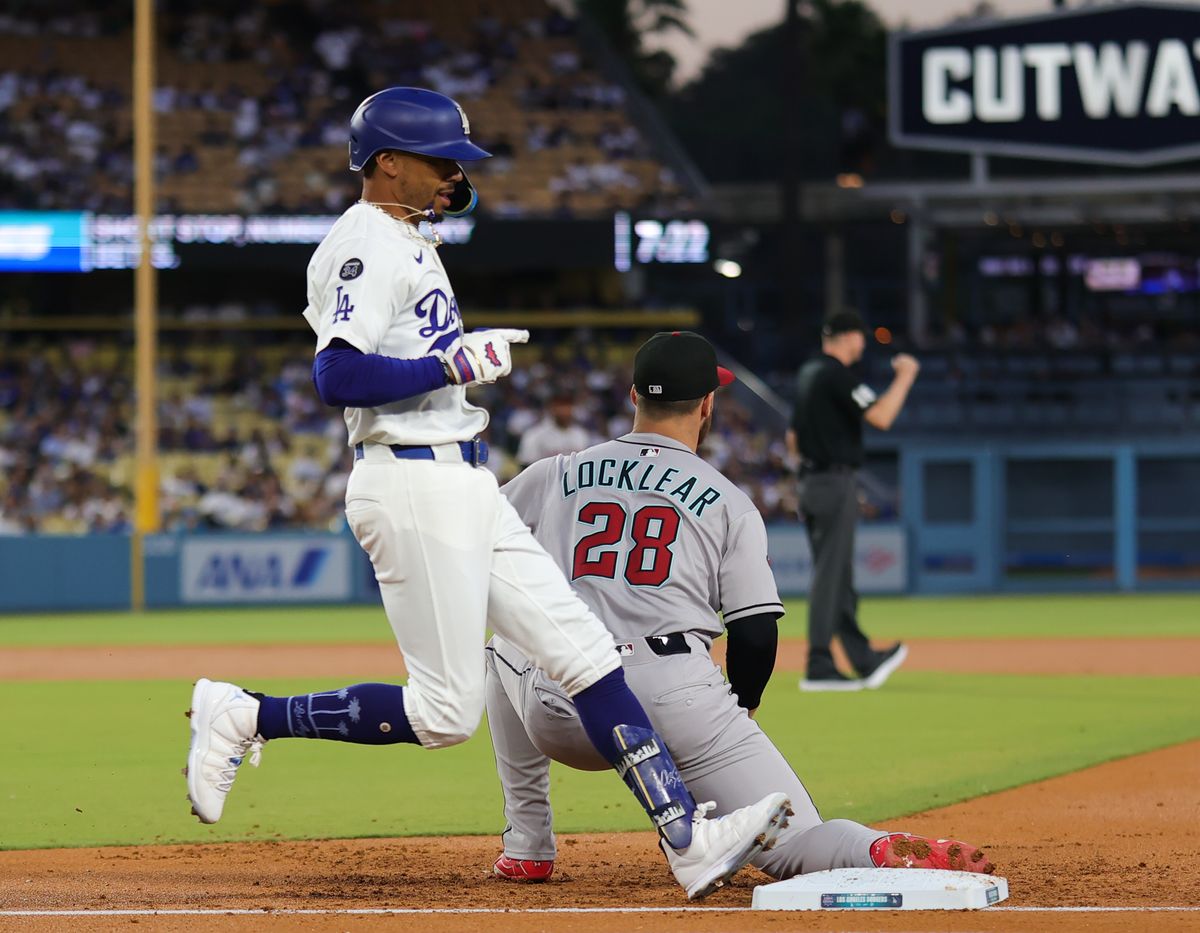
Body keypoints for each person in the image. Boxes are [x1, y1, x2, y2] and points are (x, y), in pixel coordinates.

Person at [183, 87, 792, 902]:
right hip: (409, 479)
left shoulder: (408, 234)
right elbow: (337, 374)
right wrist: (453, 364)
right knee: (444, 713)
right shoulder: (364, 241)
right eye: (440, 162)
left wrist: (453, 332)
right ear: (386, 162)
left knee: (585, 653)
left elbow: (424, 257)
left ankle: (687, 839)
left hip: (463, 477)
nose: (453, 178)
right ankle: (246, 714)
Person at [484, 331, 993, 883]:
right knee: (792, 842)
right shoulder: (728, 499)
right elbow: (754, 633)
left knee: (503, 644)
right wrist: (738, 708)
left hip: (566, 703)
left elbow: (473, 544)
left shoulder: (556, 472)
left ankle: (529, 846)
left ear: (633, 396)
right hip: (679, 694)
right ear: (707, 404)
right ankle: (873, 848)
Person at [785, 309, 918, 691]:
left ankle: (862, 658)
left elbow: (793, 439)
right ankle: (819, 662)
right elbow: (881, 417)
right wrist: (906, 376)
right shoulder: (835, 374)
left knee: (838, 574)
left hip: (811, 481)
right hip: (832, 481)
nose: (862, 343)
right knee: (832, 573)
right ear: (848, 337)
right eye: (860, 336)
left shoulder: (809, 373)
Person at [516, 392, 590, 466]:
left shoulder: (581, 434)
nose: (565, 410)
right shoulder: (534, 434)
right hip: (545, 476)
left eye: (568, 406)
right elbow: (526, 465)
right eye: (560, 406)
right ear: (551, 408)